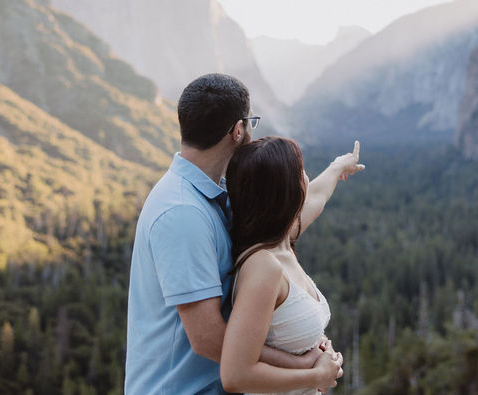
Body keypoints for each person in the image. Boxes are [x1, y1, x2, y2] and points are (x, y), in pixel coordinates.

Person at [125, 73, 333, 394]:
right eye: (251, 123)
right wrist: (306, 364)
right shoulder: (182, 213)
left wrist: (335, 170)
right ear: (238, 130)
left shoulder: (214, 194)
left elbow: (285, 218)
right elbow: (210, 340)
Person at [220, 136, 364, 395]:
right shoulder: (264, 267)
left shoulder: (281, 240)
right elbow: (235, 374)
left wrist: (339, 166)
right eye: (301, 171)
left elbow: (317, 198)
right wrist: (314, 376)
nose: (307, 178)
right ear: (287, 192)